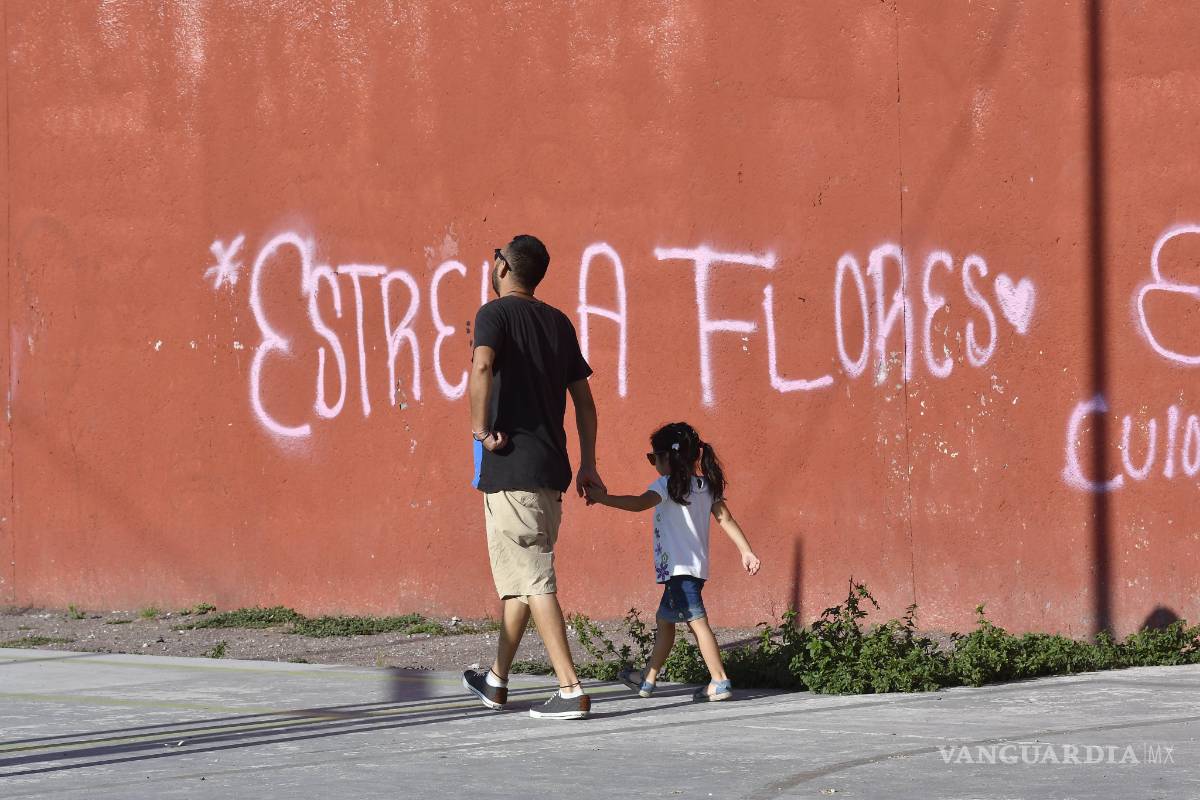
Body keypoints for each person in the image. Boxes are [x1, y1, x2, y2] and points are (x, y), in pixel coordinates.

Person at [461, 234, 605, 720]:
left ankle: (571, 688)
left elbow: (481, 365)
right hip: (551, 472)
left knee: (535, 577)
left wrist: (481, 431)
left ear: (502, 266)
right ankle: (497, 680)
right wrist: (588, 463)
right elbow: (585, 403)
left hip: (510, 469)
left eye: (493, 255)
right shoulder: (559, 323)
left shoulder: (493, 314)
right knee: (523, 577)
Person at [584, 421, 760, 701]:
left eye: (654, 458)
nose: (654, 463)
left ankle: (720, 680)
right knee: (664, 621)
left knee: (697, 623)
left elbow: (639, 503)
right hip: (694, 570)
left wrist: (604, 499)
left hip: (679, 571)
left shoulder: (665, 485)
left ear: (669, 457)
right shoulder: (705, 485)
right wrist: (746, 550)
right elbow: (725, 518)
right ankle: (647, 679)